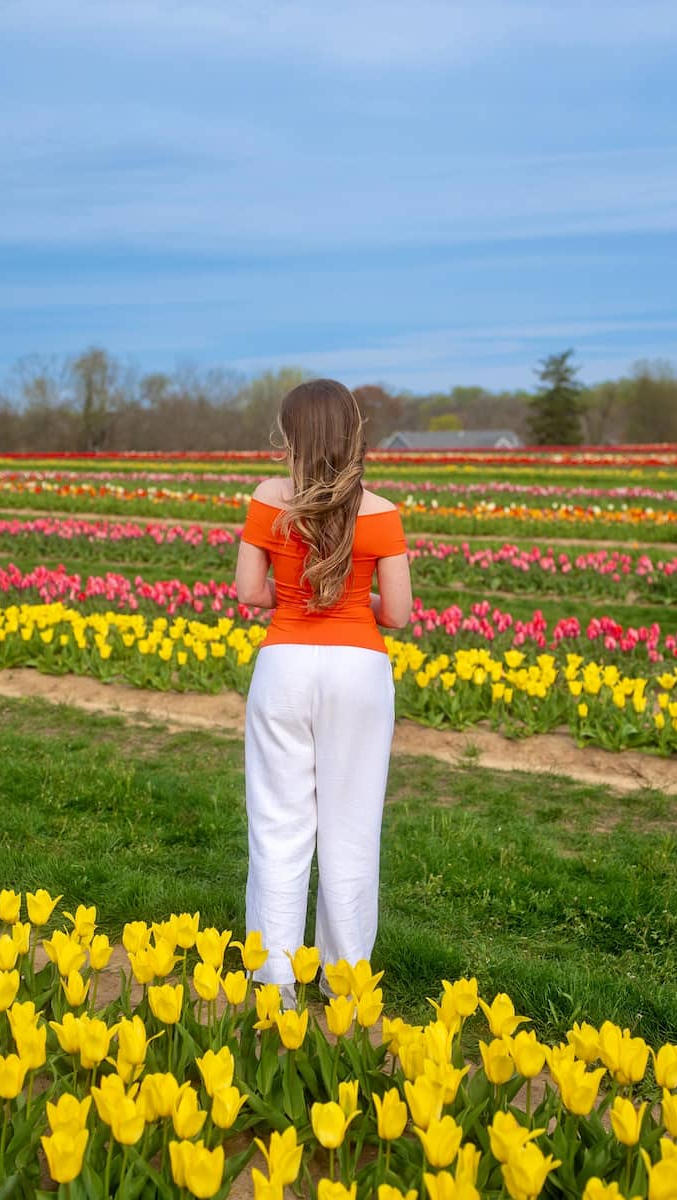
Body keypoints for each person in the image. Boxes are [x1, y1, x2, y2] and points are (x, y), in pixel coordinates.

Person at [234, 378, 412, 1003]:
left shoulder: (268, 498)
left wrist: (302, 594)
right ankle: (344, 986)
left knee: (279, 825)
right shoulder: (382, 512)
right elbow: (398, 612)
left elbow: (250, 594)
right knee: (351, 829)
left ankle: (276, 982)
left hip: (283, 664)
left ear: (289, 435)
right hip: (358, 670)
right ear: (353, 431)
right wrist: (345, 595)